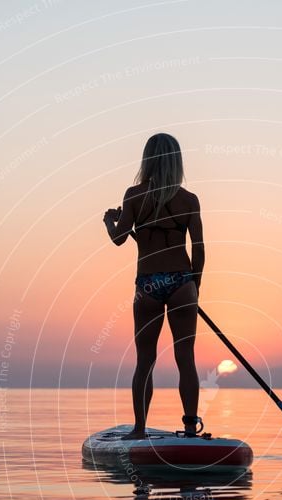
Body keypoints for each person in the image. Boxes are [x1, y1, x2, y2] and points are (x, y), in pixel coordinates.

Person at [103, 133, 205, 439]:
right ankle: (190, 429)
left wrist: (110, 221)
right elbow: (199, 250)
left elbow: (120, 238)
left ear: (147, 160)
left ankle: (139, 429)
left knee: (145, 359)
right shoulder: (189, 200)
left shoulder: (133, 195)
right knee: (185, 357)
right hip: (182, 283)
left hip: (148, 284)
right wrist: (194, 288)